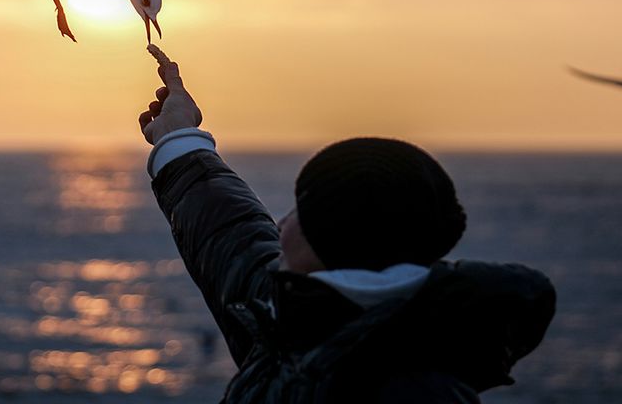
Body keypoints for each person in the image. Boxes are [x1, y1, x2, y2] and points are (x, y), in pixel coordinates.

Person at [138, 46, 556, 402]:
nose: (280, 223)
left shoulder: (414, 392)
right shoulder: (299, 319)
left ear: (332, 239)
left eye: (301, 212)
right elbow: (230, 236)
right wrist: (178, 138)